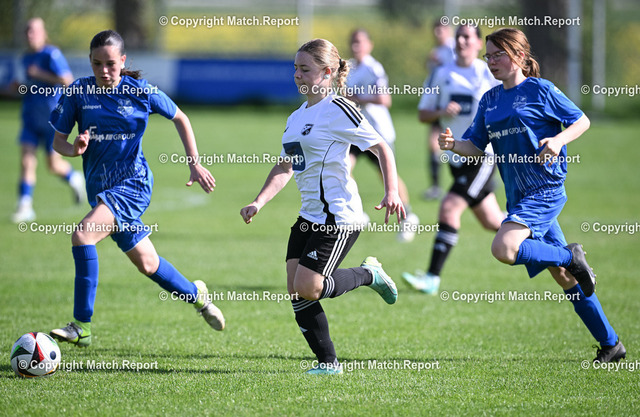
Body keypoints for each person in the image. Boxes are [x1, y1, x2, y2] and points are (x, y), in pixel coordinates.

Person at [439, 28, 625, 363]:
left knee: (504, 248)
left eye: (498, 54)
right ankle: (611, 344)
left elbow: (581, 121)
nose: (491, 61)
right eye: (488, 56)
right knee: (563, 276)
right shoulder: (490, 100)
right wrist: (454, 145)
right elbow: (476, 147)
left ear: (520, 56)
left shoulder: (541, 90)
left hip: (544, 191)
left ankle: (570, 256)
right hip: (519, 196)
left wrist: (558, 140)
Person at [48, 30, 224, 347]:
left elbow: (180, 117)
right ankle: (198, 297)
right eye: (97, 63)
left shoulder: (140, 91)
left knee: (82, 235)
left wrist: (195, 164)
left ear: (123, 60)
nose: (104, 71)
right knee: (148, 264)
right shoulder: (78, 92)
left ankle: (81, 325)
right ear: (89, 61)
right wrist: (74, 149)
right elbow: (58, 141)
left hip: (133, 185)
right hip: (101, 190)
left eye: (111, 64)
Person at [240, 38, 405, 375]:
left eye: (305, 69)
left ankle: (369, 275)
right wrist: (259, 201)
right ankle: (328, 364)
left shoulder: (339, 109)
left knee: (309, 286)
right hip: (309, 216)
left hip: (339, 216)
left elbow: (381, 148)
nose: (298, 75)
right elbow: (286, 166)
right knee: (296, 290)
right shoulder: (296, 117)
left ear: (328, 72)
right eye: (295, 68)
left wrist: (392, 192)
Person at [403, 25, 504, 294]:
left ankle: (431, 278)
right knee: (492, 221)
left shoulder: (489, 74)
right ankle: (542, 240)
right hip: (456, 156)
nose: (461, 41)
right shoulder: (441, 73)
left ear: (478, 44)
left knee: (449, 208)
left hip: (483, 155)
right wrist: (441, 111)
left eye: (467, 37)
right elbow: (422, 114)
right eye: (458, 36)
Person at [345, 29, 419, 242]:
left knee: (388, 177)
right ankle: (357, 213)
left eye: (360, 42)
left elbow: (385, 99)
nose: (356, 46)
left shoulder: (374, 68)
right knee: (342, 167)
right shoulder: (349, 68)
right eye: (353, 42)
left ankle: (408, 216)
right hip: (356, 132)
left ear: (369, 45)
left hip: (377, 134)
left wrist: (359, 98)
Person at [11, 17, 85, 223]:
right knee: (26, 161)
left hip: (52, 119)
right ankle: (25, 206)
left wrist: (40, 74)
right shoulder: (25, 57)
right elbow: (27, 85)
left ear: (44, 34)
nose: (30, 35)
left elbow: (67, 81)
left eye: (34, 31)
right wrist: (17, 87)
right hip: (30, 117)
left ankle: (74, 177)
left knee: (53, 165)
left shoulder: (52, 54)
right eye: (27, 31)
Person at [423, 20, 456, 201]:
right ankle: (435, 187)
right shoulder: (436, 52)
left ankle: (482, 174)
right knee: (433, 143)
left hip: (454, 104)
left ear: (448, 30)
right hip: (438, 102)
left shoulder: (454, 49)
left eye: (441, 30)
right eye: (435, 30)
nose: (437, 33)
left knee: (461, 141)